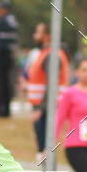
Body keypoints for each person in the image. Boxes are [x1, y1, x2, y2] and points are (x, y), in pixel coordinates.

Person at [26, 22, 69, 160]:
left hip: (47, 108)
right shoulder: (45, 53)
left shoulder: (51, 54)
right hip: (45, 107)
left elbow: (52, 84)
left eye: (38, 32)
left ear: (47, 36)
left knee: (45, 150)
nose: (34, 36)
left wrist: (40, 108)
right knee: (43, 150)